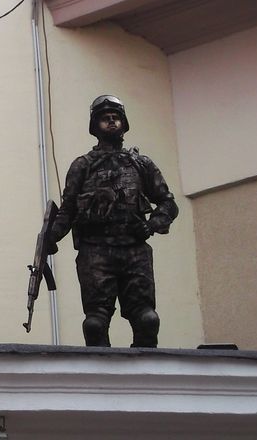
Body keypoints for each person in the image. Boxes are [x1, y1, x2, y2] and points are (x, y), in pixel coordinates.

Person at [48, 95, 178, 348]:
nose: (110, 120)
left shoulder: (141, 164)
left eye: (115, 116)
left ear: (123, 123)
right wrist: (50, 237)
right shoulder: (82, 166)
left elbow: (168, 203)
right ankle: (100, 380)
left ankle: (146, 375)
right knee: (95, 324)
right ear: (94, 126)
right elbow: (68, 210)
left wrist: (151, 225)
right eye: (104, 117)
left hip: (134, 250)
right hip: (95, 252)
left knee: (148, 320)